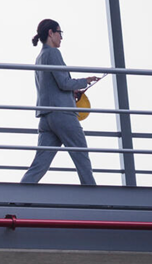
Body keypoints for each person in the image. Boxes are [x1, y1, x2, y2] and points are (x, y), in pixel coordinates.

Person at [20, 18, 99, 185]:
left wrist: (72, 92)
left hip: (46, 118)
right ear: (51, 33)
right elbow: (64, 83)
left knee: (40, 164)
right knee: (81, 156)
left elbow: (51, 86)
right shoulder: (53, 53)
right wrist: (85, 81)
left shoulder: (40, 57)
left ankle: (20, 194)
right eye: (59, 33)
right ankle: (92, 196)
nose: (61, 37)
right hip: (62, 114)